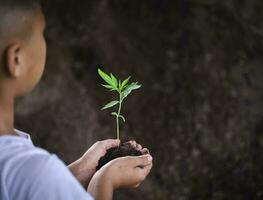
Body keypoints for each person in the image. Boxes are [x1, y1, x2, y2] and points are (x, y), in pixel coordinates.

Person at [0, 0, 153, 199]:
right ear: (16, 59)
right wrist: (104, 181)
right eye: (41, 34)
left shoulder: (23, 167)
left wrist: (78, 171)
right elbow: (33, 181)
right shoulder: (35, 170)